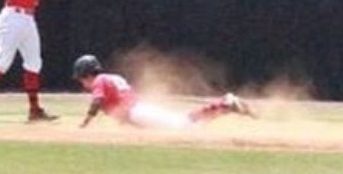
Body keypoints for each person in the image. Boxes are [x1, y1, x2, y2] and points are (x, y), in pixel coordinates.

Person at [74, 54, 253, 130]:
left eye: (81, 78)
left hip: (138, 113)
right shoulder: (110, 77)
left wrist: (86, 122)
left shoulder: (99, 80)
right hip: (139, 112)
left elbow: (97, 101)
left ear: (87, 74)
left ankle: (225, 103)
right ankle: (226, 106)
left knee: (183, 126)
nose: (82, 83)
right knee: (187, 125)